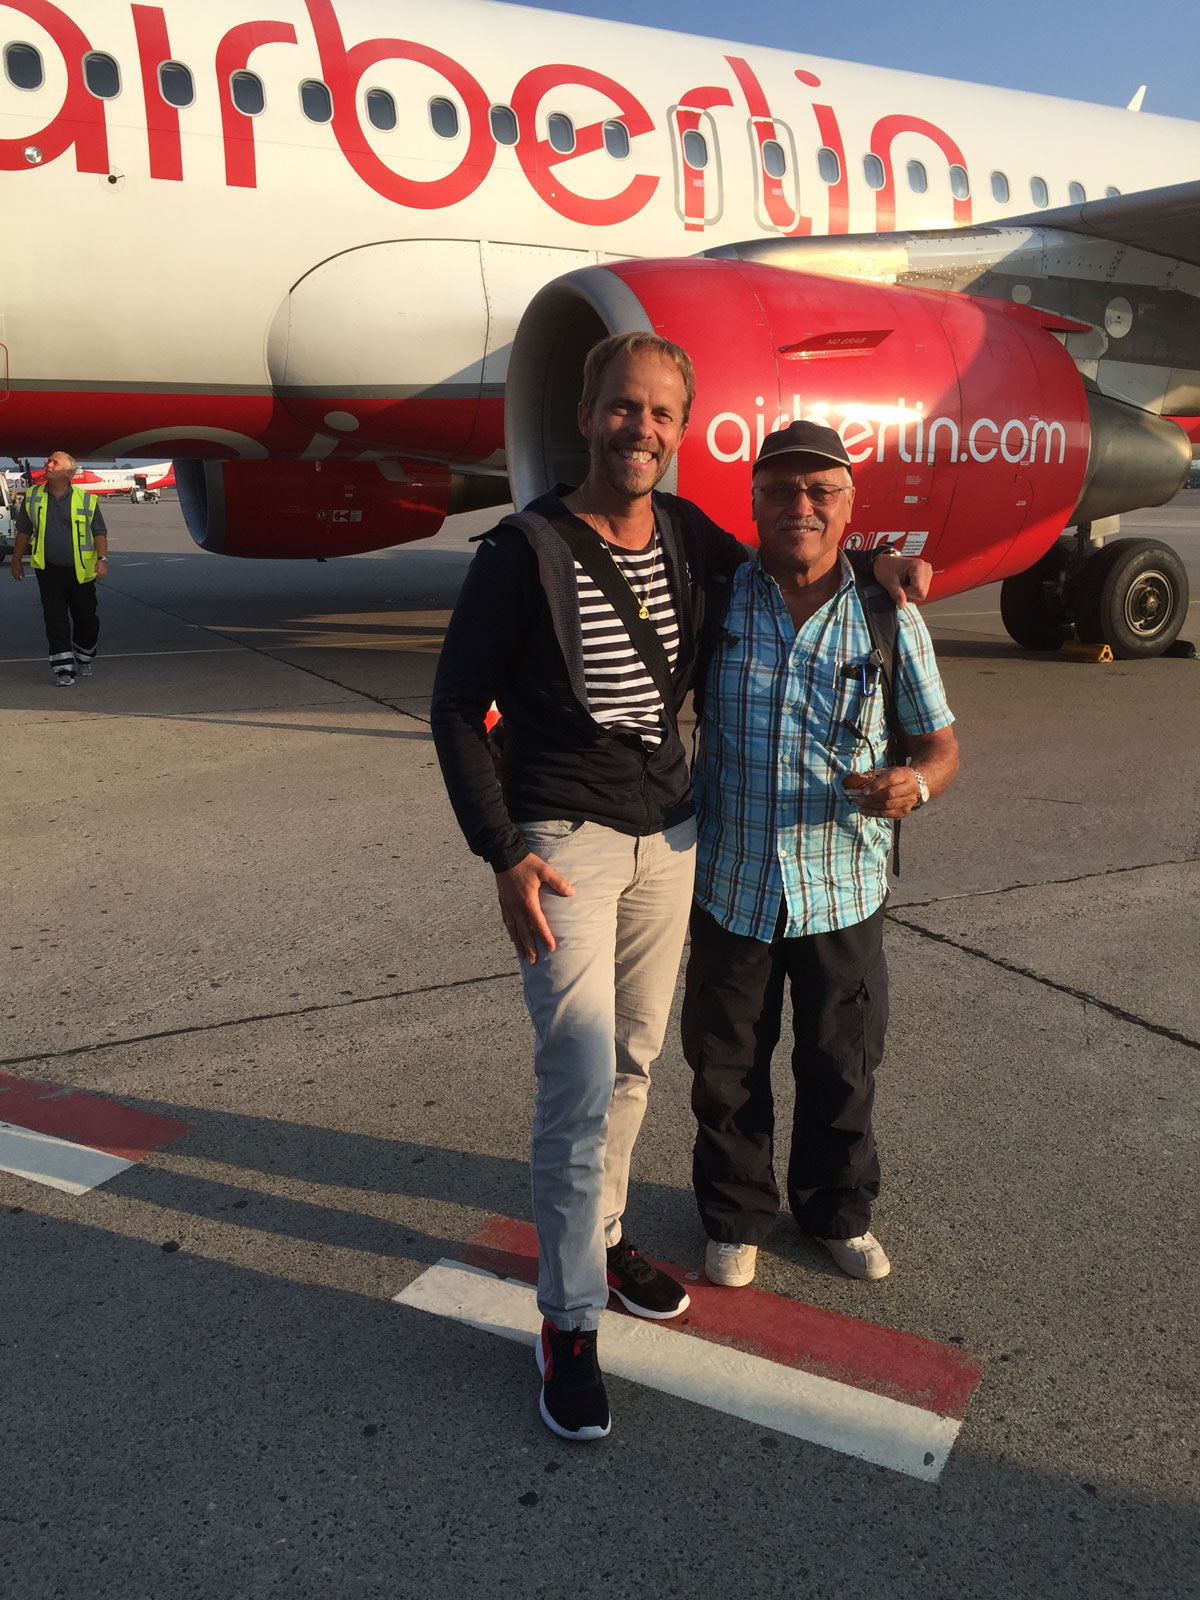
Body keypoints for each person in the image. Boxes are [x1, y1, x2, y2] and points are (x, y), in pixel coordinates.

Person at [431, 336, 930, 1442]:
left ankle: (604, 1240)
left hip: (670, 838)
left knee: (636, 1060)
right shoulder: (522, 550)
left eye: (661, 414)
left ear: (681, 429)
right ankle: (567, 1321)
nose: (640, 429)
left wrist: (882, 561)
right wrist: (502, 850)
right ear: (586, 412)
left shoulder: (688, 536)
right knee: (575, 1080)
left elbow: (800, 549)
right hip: (563, 843)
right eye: (623, 407)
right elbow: (456, 705)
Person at [683, 420, 959, 1291]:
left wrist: (916, 784)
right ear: (754, 501)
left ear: (848, 506)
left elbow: (941, 746)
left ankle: (837, 1212)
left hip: (843, 888)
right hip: (731, 882)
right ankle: (735, 1217)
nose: (799, 506)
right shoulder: (717, 601)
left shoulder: (887, 615)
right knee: (725, 1066)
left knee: (842, 1063)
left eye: (820, 491)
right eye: (780, 489)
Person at [10, 451, 108, 685]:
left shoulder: (86, 499)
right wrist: (16, 560)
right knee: (55, 620)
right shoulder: (33, 496)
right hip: (49, 570)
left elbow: (99, 532)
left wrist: (102, 559)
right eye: (49, 460)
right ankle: (63, 670)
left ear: (67, 472)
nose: (48, 464)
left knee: (87, 618)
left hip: (81, 572)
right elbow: (24, 531)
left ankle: (83, 656)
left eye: (55, 462)